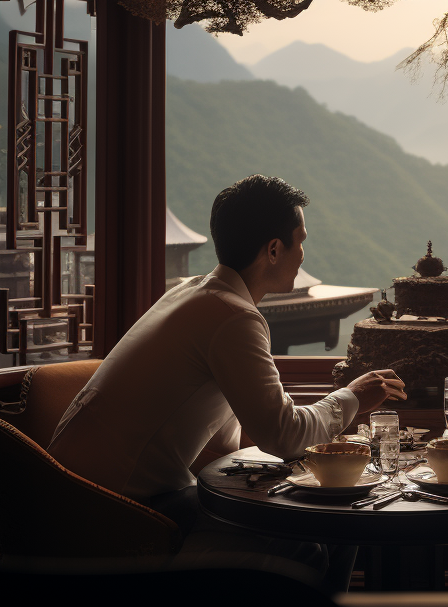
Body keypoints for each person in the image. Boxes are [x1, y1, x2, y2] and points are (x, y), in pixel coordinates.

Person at [49, 175, 405, 582]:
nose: (304, 254)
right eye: (300, 240)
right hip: (113, 512)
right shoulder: (233, 317)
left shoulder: (192, 292)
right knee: (306, 544)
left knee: (335, 526)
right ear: (274, 250)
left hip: (70, 492)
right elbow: (282, 434)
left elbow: (229, 436)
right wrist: (353, 396)